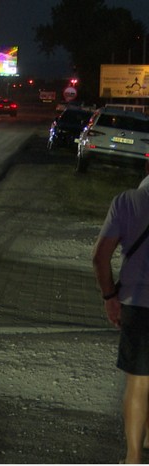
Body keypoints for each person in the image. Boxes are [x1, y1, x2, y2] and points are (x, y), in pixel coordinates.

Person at [93, 160, 149, 464]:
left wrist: (109, 296)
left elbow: (100, 257)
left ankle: (133, 457)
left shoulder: (126, 202)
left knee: (139, 380)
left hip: (138, 304)